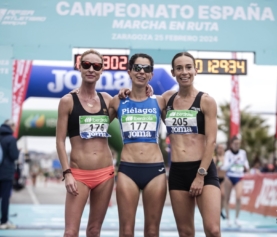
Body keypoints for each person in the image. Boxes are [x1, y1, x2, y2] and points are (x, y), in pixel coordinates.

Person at [56, 49, 115, 237]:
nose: (91, 69)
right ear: (79, 67)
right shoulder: (67, 101)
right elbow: (59, 141)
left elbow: (131, 101)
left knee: (94, 230)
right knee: (70, 232)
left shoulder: (107, 99)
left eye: (96, 66)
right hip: (79, 175)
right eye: (86, 65)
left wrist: (142, 89)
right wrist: (67, 173)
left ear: (102, 70)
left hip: (105, 174)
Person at [163, 52, 221, 237]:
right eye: (179, 68)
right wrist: (125, 92)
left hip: (202, 169)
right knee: (185, 232)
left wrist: (200, 175)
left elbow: (211, 141)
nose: (184, 72)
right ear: (173, 72)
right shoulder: (167, 99)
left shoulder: (206, 101)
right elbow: (141, 98)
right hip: (178, 172)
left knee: (213, 230)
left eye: (188, 67)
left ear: (196, 70)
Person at [109, 53, 167, 237]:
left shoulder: (160, 101)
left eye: (146, 69)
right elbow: (95, 126)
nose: (142, 72)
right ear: (130, 72)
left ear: (151, 74)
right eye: (137, 68)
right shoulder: (117, 101)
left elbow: (180, 131)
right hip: (127, 170)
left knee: (152, 231)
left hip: (155, 170)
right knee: (126, 232)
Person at [221, 136, 249, 227]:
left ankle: (237, 219)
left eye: (238, 143)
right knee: (227, 198)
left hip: (239, 176)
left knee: (238, 197)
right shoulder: (228, 153)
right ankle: (228, 219)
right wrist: (233, 162)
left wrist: (246, 167)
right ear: (231, 144)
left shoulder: (243, 153)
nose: (237, 145)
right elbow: (224, 167)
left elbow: (246, 165)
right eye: (235, 143)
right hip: (229, 176)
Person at [0, 119, 20, 229]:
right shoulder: (11, 139)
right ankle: (3, 222)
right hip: (6, 172)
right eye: (14, 126)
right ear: (11, 126)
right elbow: (14, 156)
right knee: (5, 197)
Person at [213, 143, 226, 219]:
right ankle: (216, 210)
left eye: (222, 148)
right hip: (217, 178)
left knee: (223, 195)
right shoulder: (215, 158)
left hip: (224, 178)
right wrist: (219, 166)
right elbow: (213, 168)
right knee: (216, 196)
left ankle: (221, 210)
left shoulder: (226, 158)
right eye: (219, 148)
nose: (220, 150)